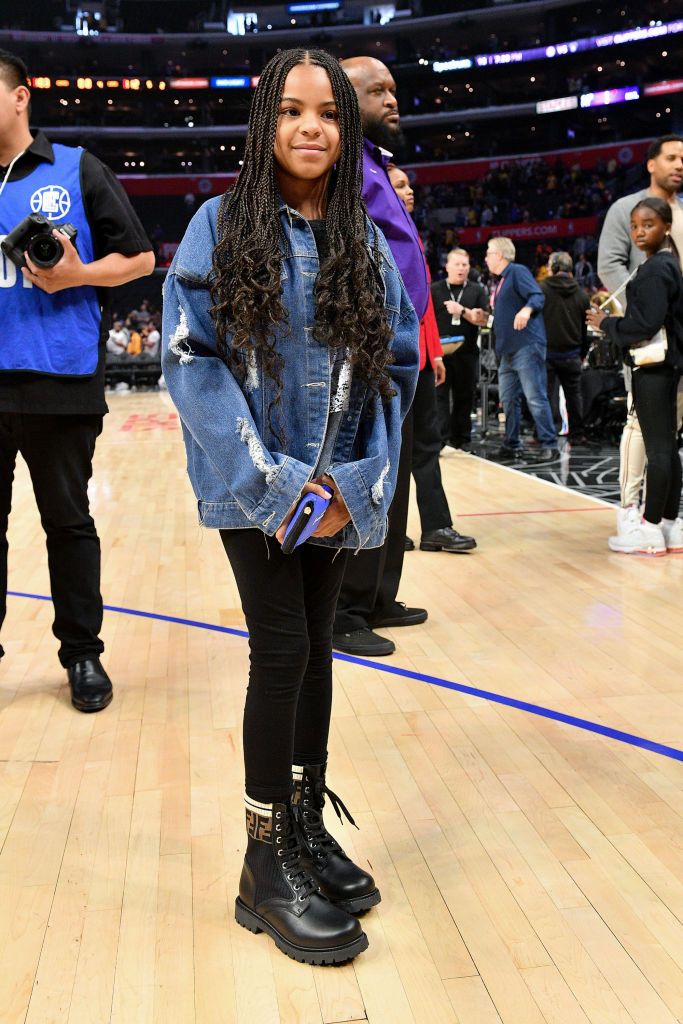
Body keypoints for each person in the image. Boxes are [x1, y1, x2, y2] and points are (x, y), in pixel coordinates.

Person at [162, 48, 419, 965]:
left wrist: (354, 492)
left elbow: (395, 371)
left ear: (347, 133)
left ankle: (304, 824)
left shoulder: (364, 237)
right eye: (292, 111)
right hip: (258, 495)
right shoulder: (219, 224)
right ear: (264, 123)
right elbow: (192, 361)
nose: (311, 127)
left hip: (337, 500)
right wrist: (276, 489)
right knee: (280, 654)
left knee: (317, 652)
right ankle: (263, 864)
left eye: (329, 114)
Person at [0, 50, 154, 711]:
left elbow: (142, 257)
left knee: (68, 524)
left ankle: (82, 655)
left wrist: (76, 275)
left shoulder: (75, 168)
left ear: (20, 97)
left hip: (59, 380)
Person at [330, 55, 430, 658]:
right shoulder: (343, 165)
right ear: (347, 100)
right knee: (362, 475)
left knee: (394, 480)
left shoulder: (378, 164)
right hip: (363, 346)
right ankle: (341, 609)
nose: (392, 99)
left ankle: (376, 597)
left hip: (398, 349)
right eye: (377, 91)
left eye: (394, 89)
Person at [597, 136, 683, 544]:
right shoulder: (624, 209)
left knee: (667, 435)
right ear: (651, 163)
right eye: (671, 157)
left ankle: (658, 521)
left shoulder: (677, 218)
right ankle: (631, 508)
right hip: (647, 339)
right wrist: (638, 311)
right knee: (641, 427)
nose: (679, 164)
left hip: (667, 342)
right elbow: (609, 264)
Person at [386, 165, 476, 554]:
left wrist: (435, 353)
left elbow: (424, 309)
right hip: (390, 361)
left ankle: (437, 527)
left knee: (427, 444)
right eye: (400, 186)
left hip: (420, 359)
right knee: (390, 450)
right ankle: (390, 532)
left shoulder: (411, 237)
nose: (409, 191)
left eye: (409, 184)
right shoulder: (381, 235)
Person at [471, 237, 559, 461]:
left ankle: (550, 444)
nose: (486, 257)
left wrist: (526, 310)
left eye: (488, 252)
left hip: (526, 346)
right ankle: (512, 444)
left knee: (535, 397)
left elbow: (537, 296)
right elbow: (507, 314)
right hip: (508, 350)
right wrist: (488, 319)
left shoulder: (517, 271)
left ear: (499, 255)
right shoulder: (502, 280)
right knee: (508, 399)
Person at [430, 247, 490, 452]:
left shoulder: (477, 290)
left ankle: (462, 439)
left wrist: (462, 311)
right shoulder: (435, 289)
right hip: (441, 354)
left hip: (467, 353)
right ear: (447, 266)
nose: (461, 268)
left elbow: (485, 319)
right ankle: (441, 440)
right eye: (457, 264)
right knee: (439, 398)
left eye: (465, 265)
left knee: (465, 396)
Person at [540, 251, 590, 443]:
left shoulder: (542, 289)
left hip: (547, 353)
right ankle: (577, 435)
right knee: (574, 396)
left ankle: (545, 434)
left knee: (544, 396)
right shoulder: (581, 293)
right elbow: (584, 330)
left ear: (552, 268)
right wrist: (583, 353)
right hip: (572, 354)